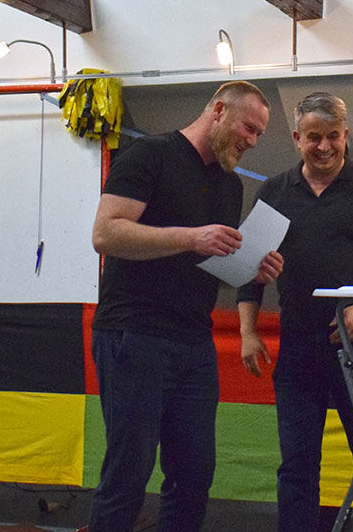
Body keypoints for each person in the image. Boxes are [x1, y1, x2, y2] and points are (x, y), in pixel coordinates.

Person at [88, 81, 283, 532]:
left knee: (194, 476)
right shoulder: (149, 155)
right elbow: (105, 233)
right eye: (249, 128)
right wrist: (191, 237)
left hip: (194, 341)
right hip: (134, 333)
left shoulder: (229, 185)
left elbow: (209, 262)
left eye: (259, 134)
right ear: (218, 110)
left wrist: (250, 269)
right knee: (128, 472)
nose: (253, 141)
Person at [237, 91, 353, 532]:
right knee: (296, 462)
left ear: (346, 134)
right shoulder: (274, 192)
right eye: (314, 137)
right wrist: (247, 332)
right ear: (296, 138)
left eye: (333, 136)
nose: (324, 146)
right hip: (297, 345)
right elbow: (249, 268)